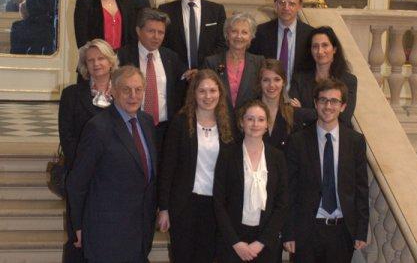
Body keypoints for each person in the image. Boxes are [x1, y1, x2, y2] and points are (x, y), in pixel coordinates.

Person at [66, 66, 158, 262]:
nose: (133, 96)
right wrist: (78, 226)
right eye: (126, 90)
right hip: (106, 233)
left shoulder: (147, 122)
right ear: (113, 92)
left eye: (138, 89)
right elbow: (77, 182)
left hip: (141, 230)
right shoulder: (98, 128)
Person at [283, 79, 369, 263]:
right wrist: (288, 232)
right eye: (323, 100)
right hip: (306, 230)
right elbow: (289, 191)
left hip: (342, 232)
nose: (328, 106)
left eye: (334, 101)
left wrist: (361, 231)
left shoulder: (355, 142)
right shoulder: (298, 141)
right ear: (315, 103)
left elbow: (361, 189)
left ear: (343, 106)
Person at [158, 69, 234, 262]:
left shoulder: (228, 124)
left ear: (220, 92)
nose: (208, 96)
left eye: (212, 90)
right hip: (184, 205)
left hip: (216, 207)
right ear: (193, 93)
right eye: (202, 91)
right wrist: (164, 208)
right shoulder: (180, 123)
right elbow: (167, 168)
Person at [59, 39, 117, 263]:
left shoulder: (124, 93)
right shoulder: (71, 94)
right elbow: (68, 138)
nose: (96, 64)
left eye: (101, 58)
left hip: (113, 180)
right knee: (78, 239)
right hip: (82, 179)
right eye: (90, 60)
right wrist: (86, 168)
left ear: (111, 61)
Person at [214, 100, 288, 262]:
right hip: (233, 242)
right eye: (250, 119)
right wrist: (235, 242)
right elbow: (219, 202)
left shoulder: (277, 157)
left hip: (265, 242)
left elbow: (282, 204)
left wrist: (262, 242)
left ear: (267, 124)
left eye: (261, 119)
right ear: (241, 122)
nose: (255, 124)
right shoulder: (227, 155)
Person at [117, 8, 186, 151]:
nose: (156, 37)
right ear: (138, 31)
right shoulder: (123, 56)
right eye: (151, 31)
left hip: (165, 129)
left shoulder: (171, 58)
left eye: (161, 32)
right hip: (133, 125)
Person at [158, 0, 227, 72]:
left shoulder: (216, 10)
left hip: (208, 74)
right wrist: (183, 70)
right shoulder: (165, 10)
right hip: (176, 74)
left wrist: (203, 69)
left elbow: (222, 44)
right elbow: (162, 44)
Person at [289, 26, 357, 128]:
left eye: (325, 45)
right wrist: (329, 112)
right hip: (305, 137)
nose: (320, 51)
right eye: (315, 46)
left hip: (337, 138)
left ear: (334, 49)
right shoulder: (299, 78)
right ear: (310, 50)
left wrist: (303, 111)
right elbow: (293, 113)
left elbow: (344, 117)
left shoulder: (348, 81)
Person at [249, 0, 313, 87]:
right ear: (275, 5)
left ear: (300, 6)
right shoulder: (260, 32)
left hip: (298, 98)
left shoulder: (310, 35)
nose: (286, 7)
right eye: (282, 2)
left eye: (291, 4)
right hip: (267, 94)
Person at [204, 12, 264, 119]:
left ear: (251, 37)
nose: (239, 36)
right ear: (227, 34)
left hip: (249, 123)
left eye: (244, 32)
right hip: (217, 121)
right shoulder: (212, 63)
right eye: (234, 31)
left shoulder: (259, 62)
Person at [258, 59, 305, 152]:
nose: (271, 85)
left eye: (277, 79)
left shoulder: (293, 114)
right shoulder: (249, 111)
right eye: (266, 80)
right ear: (260, 82)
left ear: (284, 82)